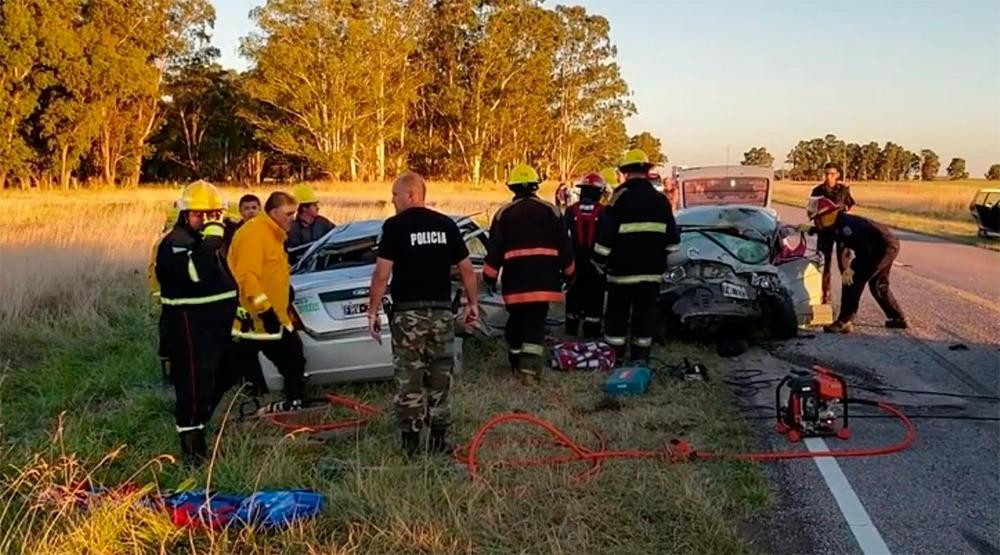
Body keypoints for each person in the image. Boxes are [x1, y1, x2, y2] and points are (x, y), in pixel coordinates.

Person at [367, 172, 479, 456]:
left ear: (411, 195)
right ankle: (440, 441)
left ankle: (411, 446)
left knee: (409, 378)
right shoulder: (446, 225)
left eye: (395, 194)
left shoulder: (394, 227)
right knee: (441, 376)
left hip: (408, 316)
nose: (392, 200)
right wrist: (473, 303)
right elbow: (467, 269)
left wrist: (373, 311)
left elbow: (382, 274)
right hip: (442, 314)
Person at [155, 181, 239, 465]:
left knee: (227, 373)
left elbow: (222, 277)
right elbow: (197, 275)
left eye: (213, 214)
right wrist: (212, 240)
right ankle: (193, 449)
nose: (206, 220)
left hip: (216, 323)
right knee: (193, 382)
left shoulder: (207, 242)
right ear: (185, 214)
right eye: (200, 215)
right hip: (189, 324)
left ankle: (201, 419)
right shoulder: (176, 243)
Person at [484, 164, 575, 383]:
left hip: (515, 282)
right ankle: (529, 371)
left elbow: (494, 250)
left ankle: (518, 365)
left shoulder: (503, 214)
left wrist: (489, 277)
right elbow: (565, 244)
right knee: (535, 324)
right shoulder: (551, 211)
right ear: (535, 185)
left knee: (516, 321)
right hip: (544, 280)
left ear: (512, 187)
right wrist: (570, 272)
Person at [592, 149, 680, 364]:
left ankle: (616, 356)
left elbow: (606, 236)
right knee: (645, 315)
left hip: (622, 273)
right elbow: (673, 243)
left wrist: (598, 260)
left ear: (626, 172)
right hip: (652, 273)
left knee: (617, 315)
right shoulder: (661, 200)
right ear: (646, 171)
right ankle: (641, 357)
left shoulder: (619, 197)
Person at [227, 192, 307, 410]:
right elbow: (246, 276)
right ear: (273, 212)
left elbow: (271, 272)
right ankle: (291, 404)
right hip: (260, 318)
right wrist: (265, 310)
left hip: (274, 316)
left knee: (294, 359)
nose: (292, 219)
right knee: (292, 360)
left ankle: (293, 402)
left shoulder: (273, 234)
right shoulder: (254, 234)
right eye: (288, 214)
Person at [806, 197, 906, 333]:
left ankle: (845, 321)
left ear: (825, 216)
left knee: (852, 281)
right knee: (878, 284)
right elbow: (831, 234)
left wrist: (851, 268)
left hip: (881, 248)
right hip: (887, 244)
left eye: (817, 219)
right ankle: (898, 319)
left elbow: (864, 251)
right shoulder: (838, 222)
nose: (816, 223)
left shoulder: (846, 227)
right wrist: (812, 230)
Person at [564, 172, 608, 339]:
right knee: (594, 301)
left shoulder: (570, 211)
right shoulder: (604, 212)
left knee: (573, 297)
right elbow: (608, 239)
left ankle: (571, 330)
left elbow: (563, 237)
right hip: (596, 265)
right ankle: (591, 333)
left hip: (574, 264)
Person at [810, 162, 856, 304]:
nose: (828, 176)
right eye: (826, 173)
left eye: (832, 174)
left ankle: (848, 299)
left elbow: (850, 204)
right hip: (824, 231)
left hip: (841, 231)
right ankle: (824, 296)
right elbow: (811, 211)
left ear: (837, 175)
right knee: (824, 264)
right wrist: (818, 223)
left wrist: (846, 218)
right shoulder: (817, 191)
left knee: (844, 266)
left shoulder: (843, 190)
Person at [148, 202, 180, 385]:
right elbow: (156, 269)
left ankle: (170, 375)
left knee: (170, 337)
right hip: (169, 299)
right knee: (170, 337)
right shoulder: (167, 242)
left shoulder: (164, 240)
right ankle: (169, 377)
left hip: (168, 298)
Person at [286, 184, 335, 262]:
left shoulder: (322, 223)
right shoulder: (291, 228)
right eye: (314, 205)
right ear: (304, 208)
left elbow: (337, 234)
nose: (318, 208)